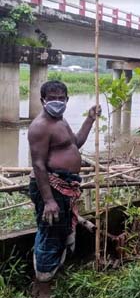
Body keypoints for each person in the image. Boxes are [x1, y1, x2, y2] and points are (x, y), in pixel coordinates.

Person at [28, 81, 100, 297]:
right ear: (42, 100)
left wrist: (89, 118)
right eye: (52, 98)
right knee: (49, 234)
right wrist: (49, 200)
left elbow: (75, 143)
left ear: (67, 100)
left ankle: (52, 275)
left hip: (66, 186)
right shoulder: (40, 126)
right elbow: (38, 164)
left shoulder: (60, 121)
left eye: (61, 98)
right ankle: (42, 286)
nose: (57, 101)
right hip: (51, 187)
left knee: (60, 232)